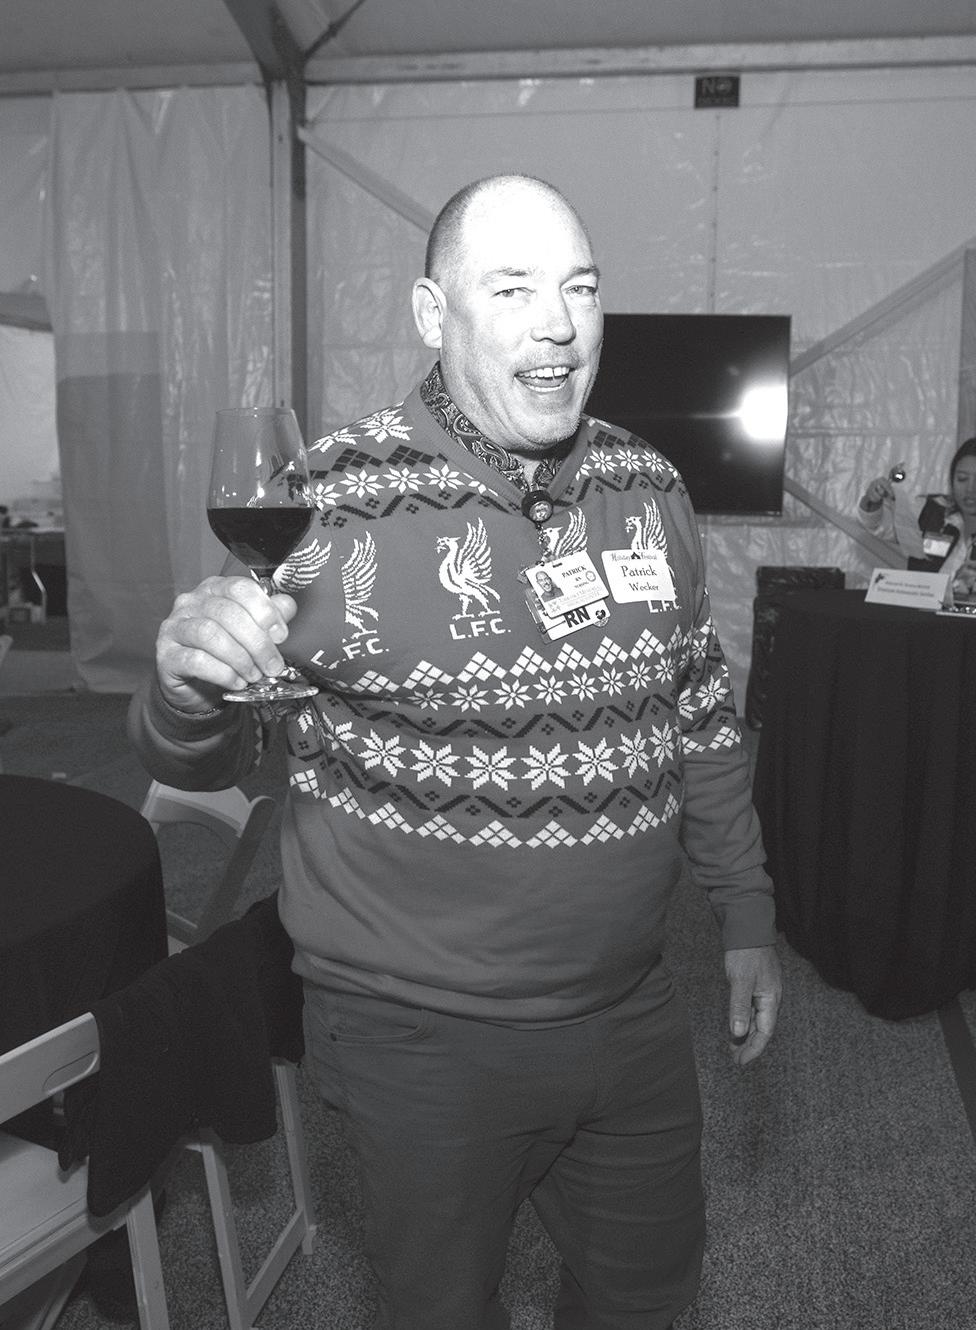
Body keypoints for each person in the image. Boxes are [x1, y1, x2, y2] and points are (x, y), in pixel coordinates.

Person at [129, 174, 782, 1330]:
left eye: (580, 288)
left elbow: (701, 719)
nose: (558, 324)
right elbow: (202, 753)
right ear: (434, 314)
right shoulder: (325, 501)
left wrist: (745, 912)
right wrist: (186, 687)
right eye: (513, 288)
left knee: (647, 1293)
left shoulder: (650, 487)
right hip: (416, 1038)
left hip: (631, 1010)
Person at [857, 438, 976, 585]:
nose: (970, 489)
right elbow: (879, 526)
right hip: (923, 599)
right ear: (952, 480)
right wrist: (872, 501)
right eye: (962, 479)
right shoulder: (931, 510)